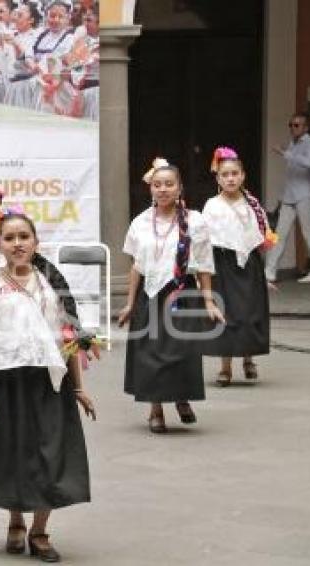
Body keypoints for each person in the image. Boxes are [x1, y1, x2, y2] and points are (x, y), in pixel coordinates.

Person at [0, 210, 99, 563]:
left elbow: (67, 339)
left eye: (24, 237)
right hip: (7, 384)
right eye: (10, 238)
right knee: (12, 454)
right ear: (0, 245)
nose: (18, 244)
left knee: (52, 455)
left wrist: (78, 388)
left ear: (36, 241)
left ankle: (40, 531)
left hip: (50, 384)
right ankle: (15, 521)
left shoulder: (53, 283)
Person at [118, 158, 225, 433]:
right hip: (150, 296)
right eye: (157, 185)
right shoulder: (140, 223)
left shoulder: (195, 221)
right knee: (151, 354)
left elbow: (203, 265)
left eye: (169, 184)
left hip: (182, 295)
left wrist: (209, 301)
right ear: (151, 189)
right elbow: (136, 267)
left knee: (182, 352)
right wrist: (130, 304)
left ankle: (181, 397)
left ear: (179, 188)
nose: (163, 189)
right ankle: (155, 410)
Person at [202, 147, 273, 385]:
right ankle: (225, 366)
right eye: (225, 174)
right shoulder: (212, 206)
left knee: (251, 312)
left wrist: (265, 274)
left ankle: (248, 358)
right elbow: (204, 242)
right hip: (223, 264)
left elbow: (260, 237)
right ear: (218, 178)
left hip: (250, 264)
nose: (230, 178)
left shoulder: (252, 203)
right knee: (228, 315)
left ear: (242, 175)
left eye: (235, 173)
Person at [265, 112, 310, 283]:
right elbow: (292, 171)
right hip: (289, 196)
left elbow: (309, 163)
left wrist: (285, 153)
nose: (293, 128)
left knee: (309, 232)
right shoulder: (294, 143)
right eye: (291, 125)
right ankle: (269, 270)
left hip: (305, 195)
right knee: (280, 234)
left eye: (297, 125)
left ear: (306, 127)